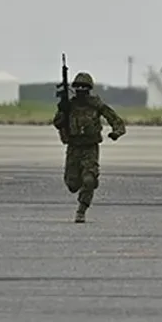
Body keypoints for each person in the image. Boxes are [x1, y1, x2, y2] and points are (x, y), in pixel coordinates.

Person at [51, 71, 126, 223]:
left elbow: (114, 119)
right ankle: (84, 187)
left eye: (84, 88)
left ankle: (81, 210)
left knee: (89, 179)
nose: (81, 91)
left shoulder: (96, 104)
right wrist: (62, 110)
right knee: (72, 184)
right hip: (73, 149)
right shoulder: (69, 105)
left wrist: (116, 132)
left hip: (90, 149)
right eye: (78, 87)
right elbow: (58, 123)